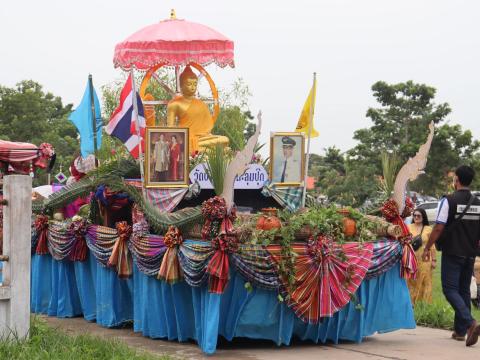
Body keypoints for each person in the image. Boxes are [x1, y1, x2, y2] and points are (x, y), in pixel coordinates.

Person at [422, 165, 480, 346]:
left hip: (453, 252)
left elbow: (439, 227)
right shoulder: (478, 202)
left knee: (449, 289)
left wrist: (427, 247)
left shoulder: (449, 200)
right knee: (463, 290)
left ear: (457, 180)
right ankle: (460, 331)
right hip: (470, 253)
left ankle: (470, 323)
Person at [166, 66, 229, 152]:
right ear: (181, 85)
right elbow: (170, 129)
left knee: (224, 139)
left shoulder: (201, 104)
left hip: (202, 139)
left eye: (195, 84)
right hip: (185, 139)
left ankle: (203, 150)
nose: (192, 87)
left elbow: (207, 129)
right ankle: (203, 150)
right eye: (189, 84)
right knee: (183, 145)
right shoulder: (174, 104)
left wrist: (207, 136)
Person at [407, 208, 435, 304]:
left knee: (425, 279)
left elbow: (432, 245)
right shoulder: (408, 227)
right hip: (411, 258)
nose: (416, 217)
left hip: (425, 258)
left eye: (418, 216)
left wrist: (434, 260)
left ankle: (425, 303)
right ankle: (411, 303)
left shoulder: (428, 229)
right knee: (412, 280)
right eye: (414, 215)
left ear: (423, 217)